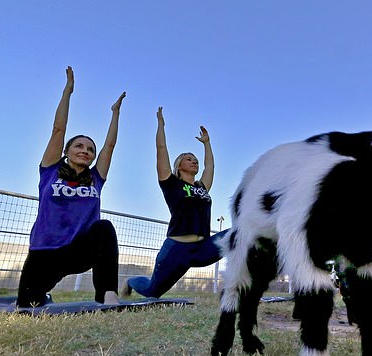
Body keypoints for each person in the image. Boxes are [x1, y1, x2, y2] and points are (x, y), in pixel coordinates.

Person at [16, 66, 126, 307]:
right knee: (27, 304)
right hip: (45, 251)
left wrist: (115, 113)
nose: (85, 151)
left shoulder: (95, 178)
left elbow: (109, 147)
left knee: (105, 229)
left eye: (90, 149)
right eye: (79, 146)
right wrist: (68, 91)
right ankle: (39, 293)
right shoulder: (50, 170)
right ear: (66, 151)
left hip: (78, 250)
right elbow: (59, 129)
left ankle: (108, 294)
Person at [121, 107, 227, 298]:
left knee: (239, 234)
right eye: (189, 159)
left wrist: (207, 144)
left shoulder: (201, 187)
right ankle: (130, 281)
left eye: (195, 160)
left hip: (203, 249)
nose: (194, 161)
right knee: (151, 292)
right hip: (177, 250)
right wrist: (161, 125)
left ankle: (241, 286)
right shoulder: (171, 183)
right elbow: (161, 149)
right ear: (179, 165)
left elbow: (210, 165)